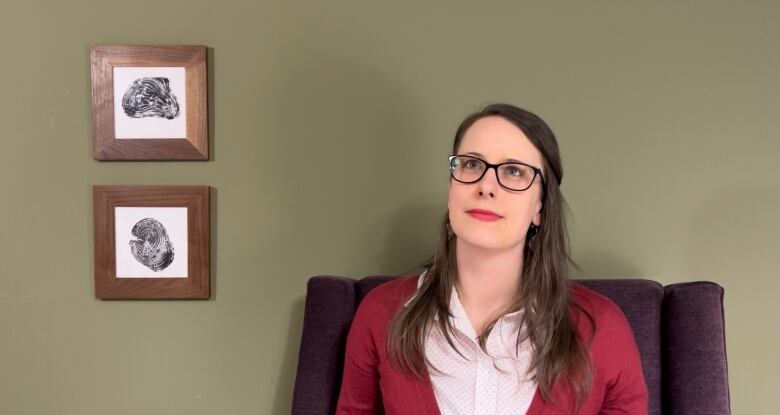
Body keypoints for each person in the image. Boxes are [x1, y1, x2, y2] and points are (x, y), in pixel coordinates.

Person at [336, 103, 648, 414]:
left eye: (514, 171)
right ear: (451, 186)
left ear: (540, 206)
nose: (486, 186)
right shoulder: (380, 315)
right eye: (471, 165)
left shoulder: (604, 331)